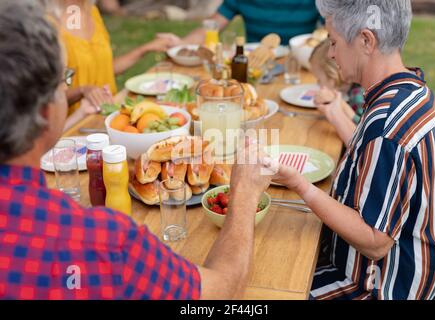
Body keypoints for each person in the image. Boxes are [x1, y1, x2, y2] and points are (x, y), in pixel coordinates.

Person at [0, 0, 272, 299]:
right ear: (46, 112)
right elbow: (219, 293)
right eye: (63, 83)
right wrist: (245, 193)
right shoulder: (105, 242)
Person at [264, 0, 435, 300]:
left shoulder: (387, 127)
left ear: (366, 40)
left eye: (334, 42)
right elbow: (378, 161)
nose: (332, 53)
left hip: (382, 283)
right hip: (403, 269)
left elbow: (375, 242)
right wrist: (337, 114)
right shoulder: (407, 90)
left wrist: (301, 185)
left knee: (266, 285)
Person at [50, 0, 176, 128]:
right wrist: (83, 90)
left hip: (111, 117)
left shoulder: (92, 11)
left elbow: (104, 68)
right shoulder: (49, 23)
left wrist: (145, 49)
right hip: (74, 126)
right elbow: (47, 96)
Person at [158, 0, 322, 46]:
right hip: (255, 65)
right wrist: (181, 43)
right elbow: (212, 27)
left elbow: (333, 32)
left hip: (299, 64)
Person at [309, 40, 365, 147]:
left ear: (332, 75)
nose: (318, 84)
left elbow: (362, 128)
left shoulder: (358, 95)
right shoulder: (352, 89)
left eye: (319, 79)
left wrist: (341, 106)